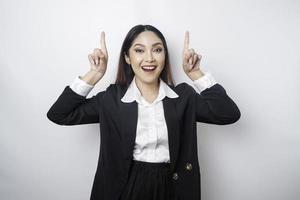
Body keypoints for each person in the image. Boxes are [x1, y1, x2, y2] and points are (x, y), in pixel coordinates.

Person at [47, 24, 241, 200]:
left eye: (157, 50)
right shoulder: (112, 99)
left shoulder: (183, 97)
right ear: (127, 57)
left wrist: (196, 74)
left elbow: (228, 114)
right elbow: (59, 114)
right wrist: (95, 74)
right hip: (125, 187)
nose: (149, 58)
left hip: (173, 187)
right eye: (139, 50)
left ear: (165, 56)